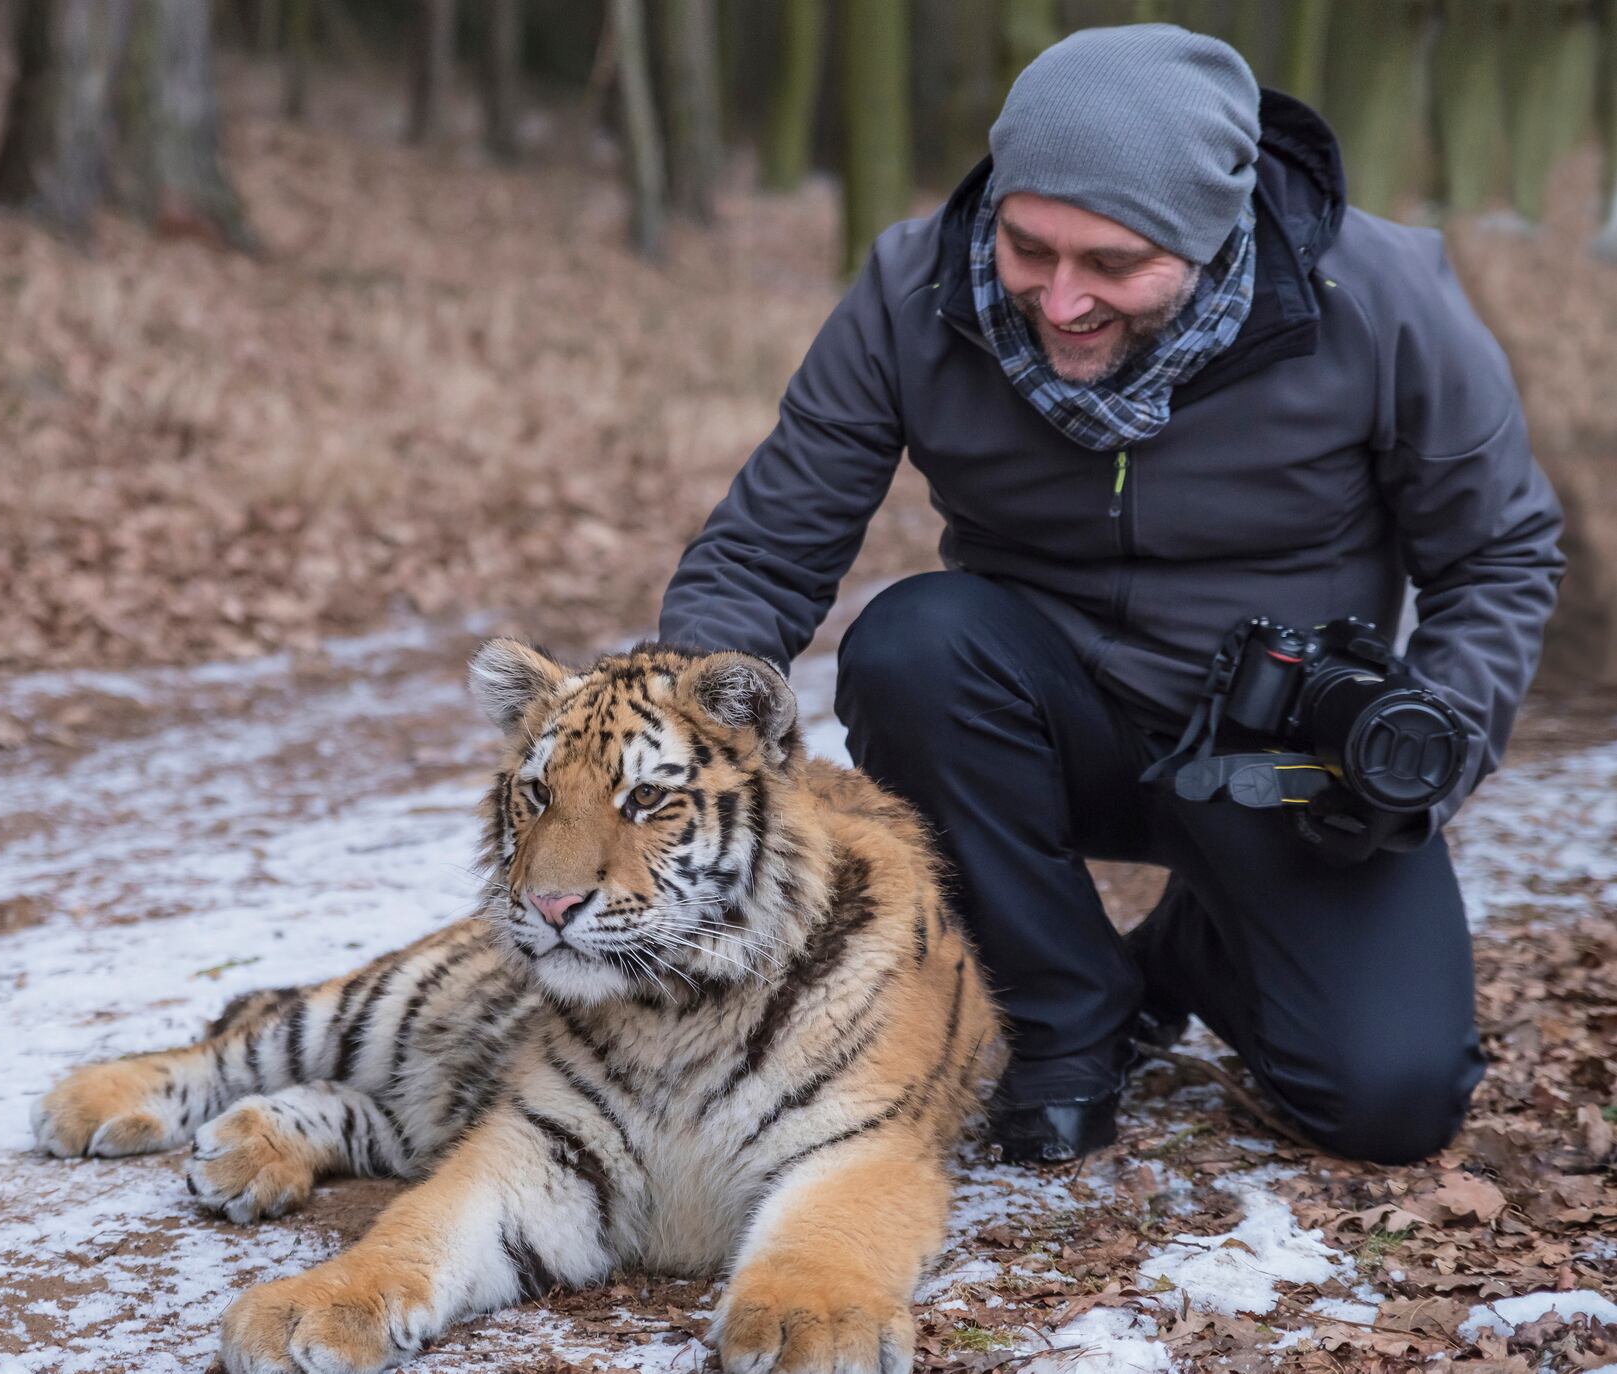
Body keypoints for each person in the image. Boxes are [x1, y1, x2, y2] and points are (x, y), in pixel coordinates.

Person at [656, 24, 1566, 1166]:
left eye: (1110, 263)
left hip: (1286, 759)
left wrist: (1428, 750)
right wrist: (671, 738)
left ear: (1212, 230)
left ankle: (1190, 949)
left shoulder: (1380, 300)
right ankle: (1063, 1014)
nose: (1060, 299)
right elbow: (763, 552)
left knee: (1389, 1101)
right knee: (909, 644)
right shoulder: (910, 286)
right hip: (1038, 721)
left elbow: (1501, 555)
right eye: (1028, 247)